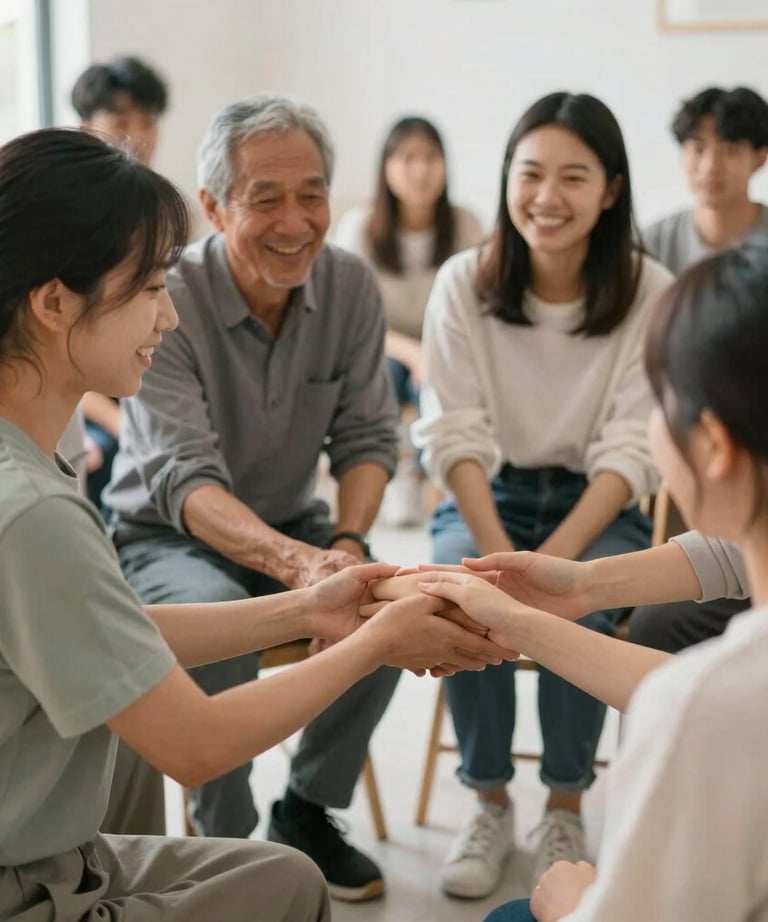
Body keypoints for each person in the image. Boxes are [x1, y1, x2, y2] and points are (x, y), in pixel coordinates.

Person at [0, 126, 513, 922]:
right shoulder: (34, 511)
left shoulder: (29, 473)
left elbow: (114, 628)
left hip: (48, 848)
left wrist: (313, 602)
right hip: (29, 876)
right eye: (146, 289)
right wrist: (377, 637)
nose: (164, 319)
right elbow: (194, 742)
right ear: (54, 301)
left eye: (312, 193)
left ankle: (304, 805)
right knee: (286, 882)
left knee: (276, 861)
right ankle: (234, 824)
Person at [104, 93, 402, 900]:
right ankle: (224, 841)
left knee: (383, 606)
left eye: (311, 194)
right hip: (163, 535)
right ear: (210, 205)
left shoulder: (348, 287)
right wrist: (304, 570)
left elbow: (371, 440)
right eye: (264, 197)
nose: (294, 220)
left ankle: (305, 809)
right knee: (221, 634)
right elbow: (183, 479)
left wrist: (344, 545)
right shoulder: (168, 295)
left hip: (294, 525)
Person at [417, 243, 768, 922]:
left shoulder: (706, 711)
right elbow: (732, 552)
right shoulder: (713, 698)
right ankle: (491, 797)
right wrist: (583, 588)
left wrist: (573, 904)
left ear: (715, 449)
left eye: (661, 406)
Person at [411, 91, 673, 898]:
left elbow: (632, 452)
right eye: (529, 174)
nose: (546, 198)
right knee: (458, 593)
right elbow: (452, 435)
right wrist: (496, 569)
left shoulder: (649, 289)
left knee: (577, 608)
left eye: (573, 176)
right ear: (505, 179)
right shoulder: (463, 281)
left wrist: (549, 572)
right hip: (488, 492)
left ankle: (564, 803)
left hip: (599, 503)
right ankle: (488, 800)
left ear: (611, 190)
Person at [629, 86, 768, 652]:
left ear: (759, 157)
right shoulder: (652, 244)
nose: (709, 164)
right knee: (654, 624)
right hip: (682, 439)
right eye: (697, 147)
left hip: (745, 439)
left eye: (729, 147)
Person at [334, 116, 483, 525]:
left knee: (446, 371)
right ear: (386, 167)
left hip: (445, 345)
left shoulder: (466, 225)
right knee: (385, 370)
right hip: (380, 346)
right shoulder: (358, 228)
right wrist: (416, 353)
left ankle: (431, 473)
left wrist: (431, 354)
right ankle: (398, 471)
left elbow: (475, 310)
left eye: (431, 157)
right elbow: (353, 321)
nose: (421, 170)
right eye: (407, 158)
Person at [65, 57, 171, 511]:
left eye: (148, 121)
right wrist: (115, 421)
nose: (138, 135)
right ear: (89, 128)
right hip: (83, 397)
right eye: (122, 121)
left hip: (146, 380)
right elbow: (50, 347)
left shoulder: (168, 210)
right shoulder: (66, 216)